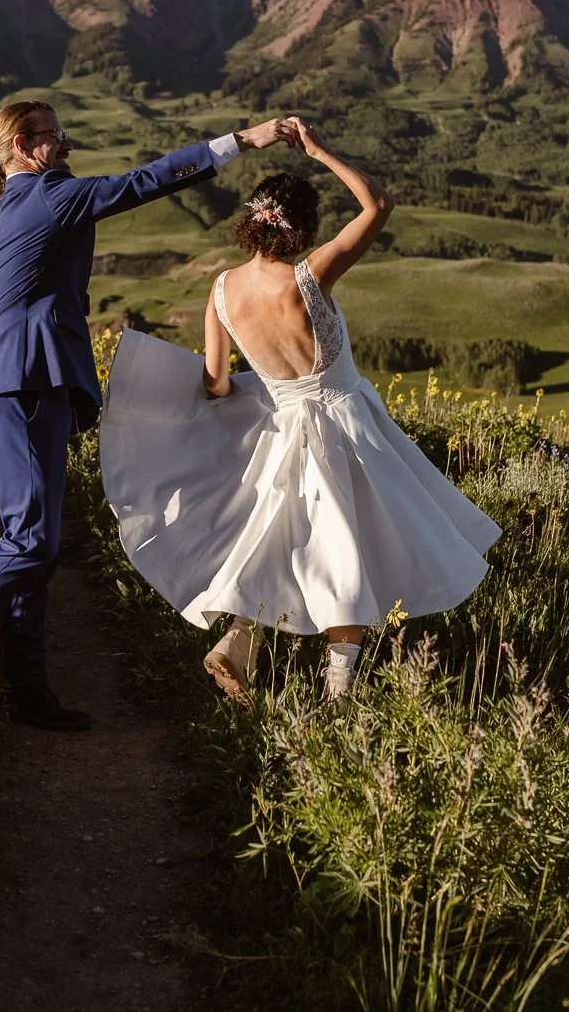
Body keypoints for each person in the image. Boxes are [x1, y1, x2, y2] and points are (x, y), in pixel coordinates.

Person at [100, 117, 499, 703]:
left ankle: (239, 643)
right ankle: (338, 697)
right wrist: (318, 150)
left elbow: (213, 386)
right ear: (303, 227)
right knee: (349, 553)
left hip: (282, 429)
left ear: (252, 220)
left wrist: (251, 390)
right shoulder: (309, 279)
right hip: (349, 426)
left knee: (277, 539)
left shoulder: (221, 291)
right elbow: (378, 204)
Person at [0, 98, 293, 730]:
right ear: (19, 144)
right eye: (54, 136)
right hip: (23, 386)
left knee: (36, 543)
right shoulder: (46, 197)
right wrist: (243, 142)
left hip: (28, 387)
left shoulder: (21, 201)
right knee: (31, 539)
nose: (66, 146)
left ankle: (29, 689)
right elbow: (146, 182)